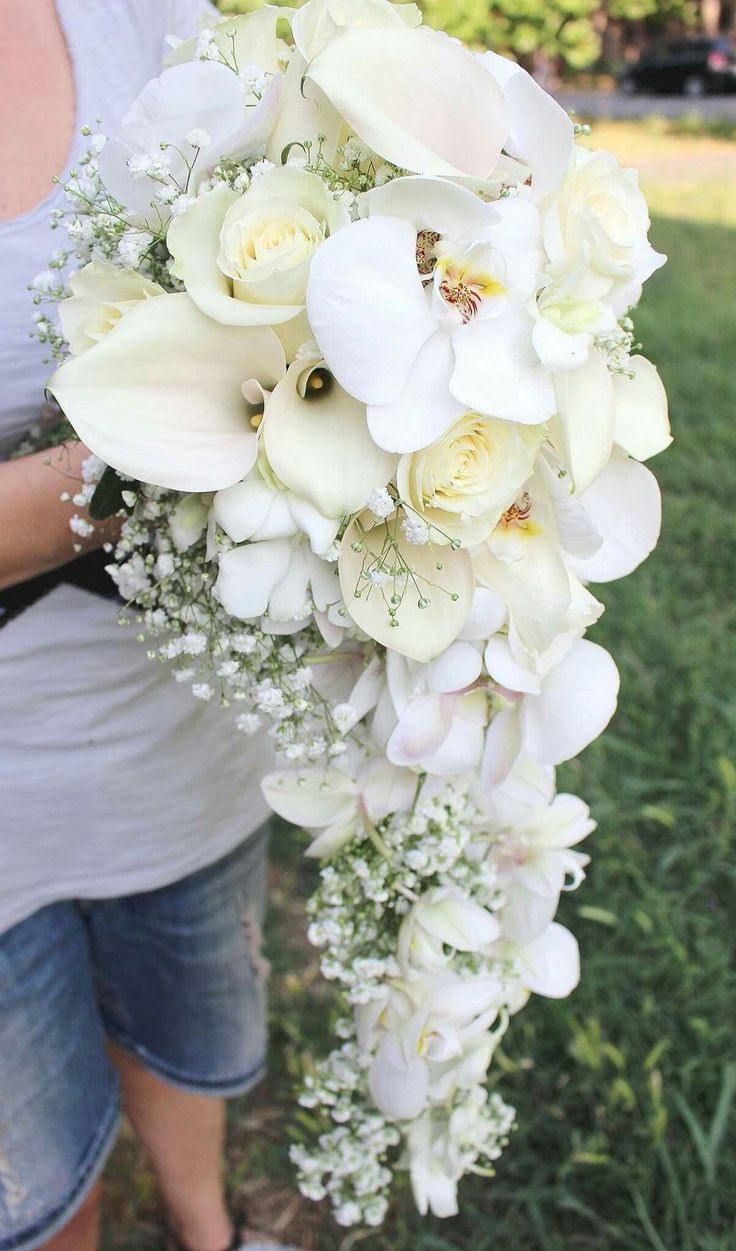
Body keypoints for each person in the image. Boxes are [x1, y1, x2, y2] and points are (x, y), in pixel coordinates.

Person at [0, 4, 298, 1249]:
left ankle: (204, 1232)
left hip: (180, 751)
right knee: (39, 1172)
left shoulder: (153, 18)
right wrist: (158, 460)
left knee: (188, 1039)